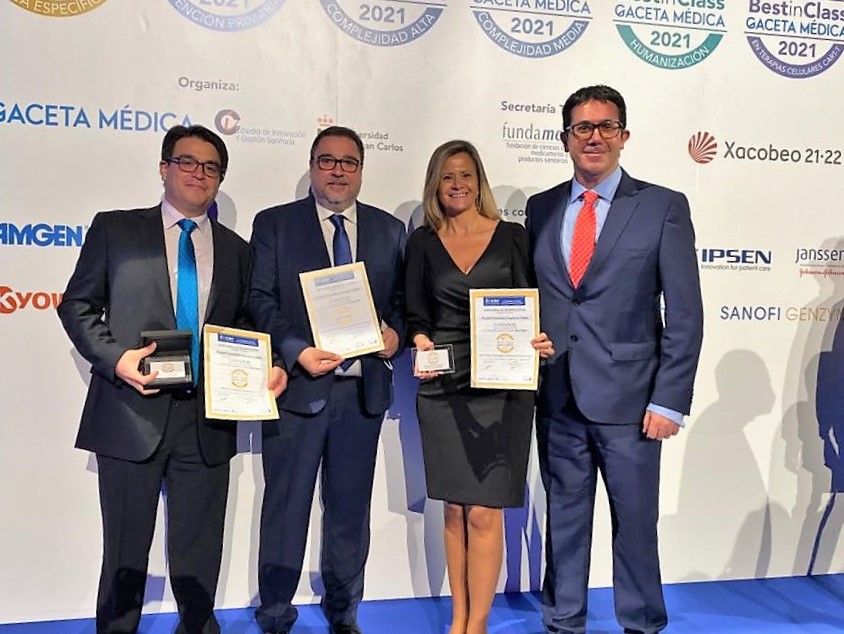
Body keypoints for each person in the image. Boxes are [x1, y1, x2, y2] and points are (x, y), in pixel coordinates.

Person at [58, 124, 287, 634]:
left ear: (220, 179)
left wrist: (266, 366)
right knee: (124, 552)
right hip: (130, 413)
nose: (198, 174)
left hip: (206, 422)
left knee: (199, 553)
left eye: (211, 167)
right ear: (164, 168)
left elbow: (243, 325)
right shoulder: (116, 230)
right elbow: (77, 305)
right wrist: (117, 359)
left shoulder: (236, 249)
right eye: (187, 161)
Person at [525, 85, 704, 634]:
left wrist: (668, 401)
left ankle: (642, 623)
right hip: (558, 397)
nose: (594, 137)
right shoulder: (541, 207)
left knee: (635, 525)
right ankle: (564, 621)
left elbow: (685, 312)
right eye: (583, 127)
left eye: (606, 126)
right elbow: (539, 296)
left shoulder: (662, 206)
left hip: (633, 404)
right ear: (565, 138)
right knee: (564, 521)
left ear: (623, 135)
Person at [249, 126, 406, 634]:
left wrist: (395, 335)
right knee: (285, 507)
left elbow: (402, 304)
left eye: (348, 162)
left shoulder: (388, 230)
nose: (338, 171)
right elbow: (260, 301)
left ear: (361, 169)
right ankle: (276, 611)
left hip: (362, 395)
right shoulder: (275, 224)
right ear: (312, 166)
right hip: (298, 390)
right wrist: (296, 350)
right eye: (327, 160)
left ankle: (344, 610)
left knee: (349, 511)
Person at [405, 140, 554, 634]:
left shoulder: (512, 236)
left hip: (503, 385)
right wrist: (419, 339)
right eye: (447, 176)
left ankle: (479, 623)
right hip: (443, 386)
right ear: (435, 184)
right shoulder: (423, 242)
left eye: (466, 175)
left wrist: (539, 337)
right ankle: (458, 620)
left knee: (485, 514)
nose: (457, 185)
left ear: (479, 181)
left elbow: (535, 300)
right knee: (454, 508)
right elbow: (415, 312)